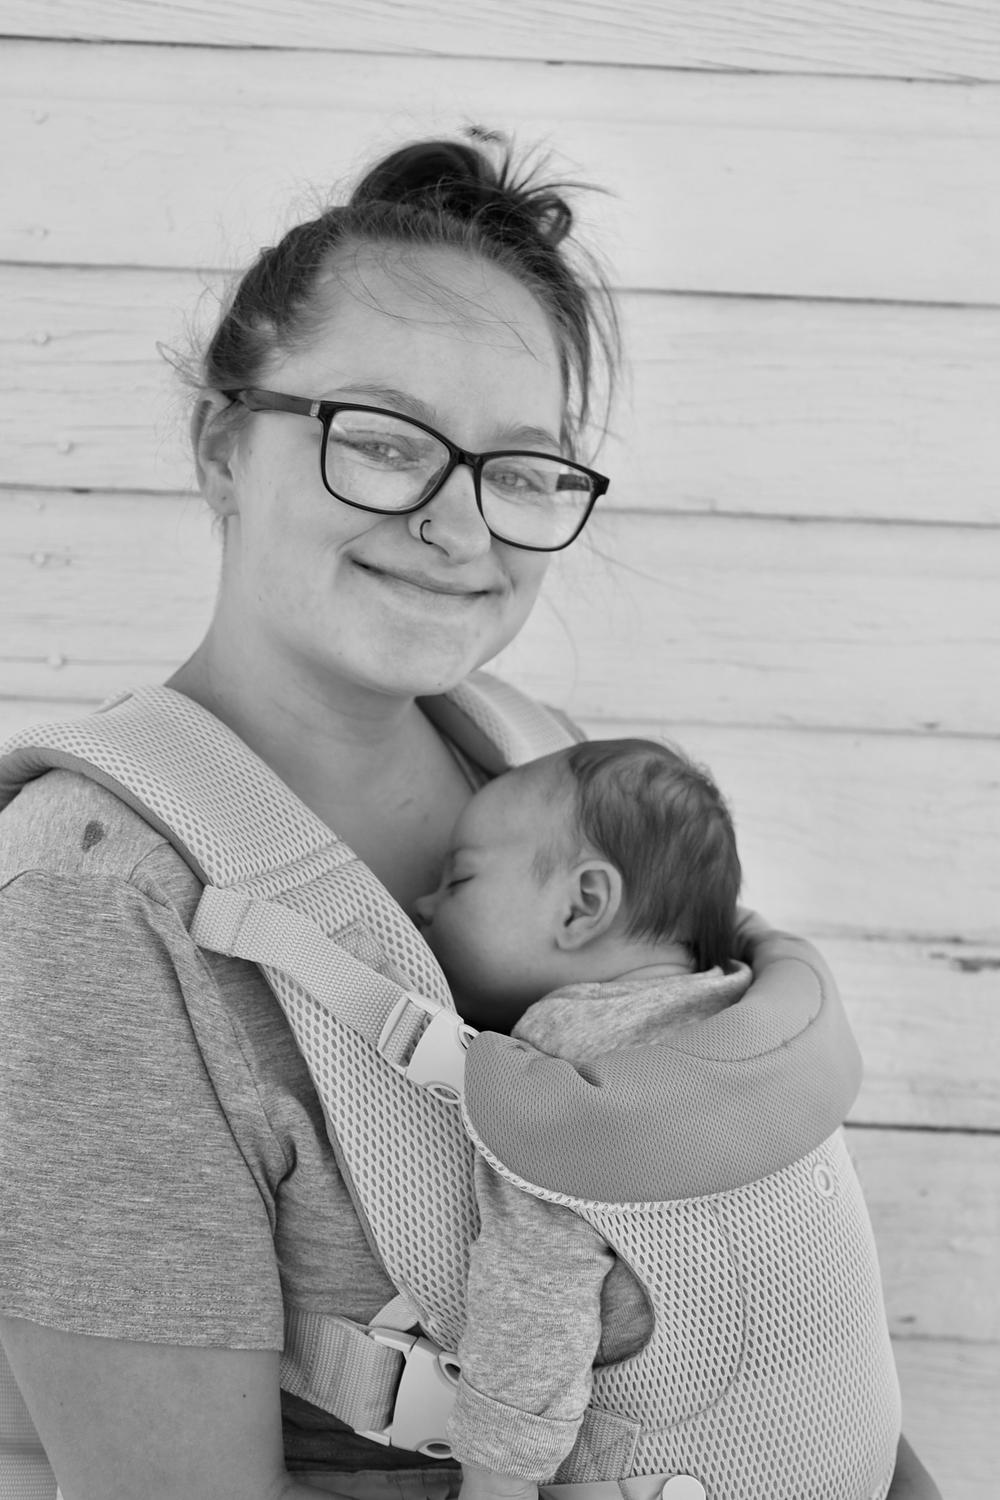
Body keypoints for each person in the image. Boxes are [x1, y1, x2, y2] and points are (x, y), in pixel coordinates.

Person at [0, 133, 939, 1500]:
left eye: (522, 469)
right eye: (383, 442)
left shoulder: (535, 757)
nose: (461, 527)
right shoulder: (95, 902)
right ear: (221, 446)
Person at [414, 738, 901, 1500]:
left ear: (583, 905)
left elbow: (532, 1306)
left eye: (459, 878)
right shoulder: (756, 1023)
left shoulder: (571, 1078)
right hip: (856, 1462)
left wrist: (492, 1487)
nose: (423, 903)